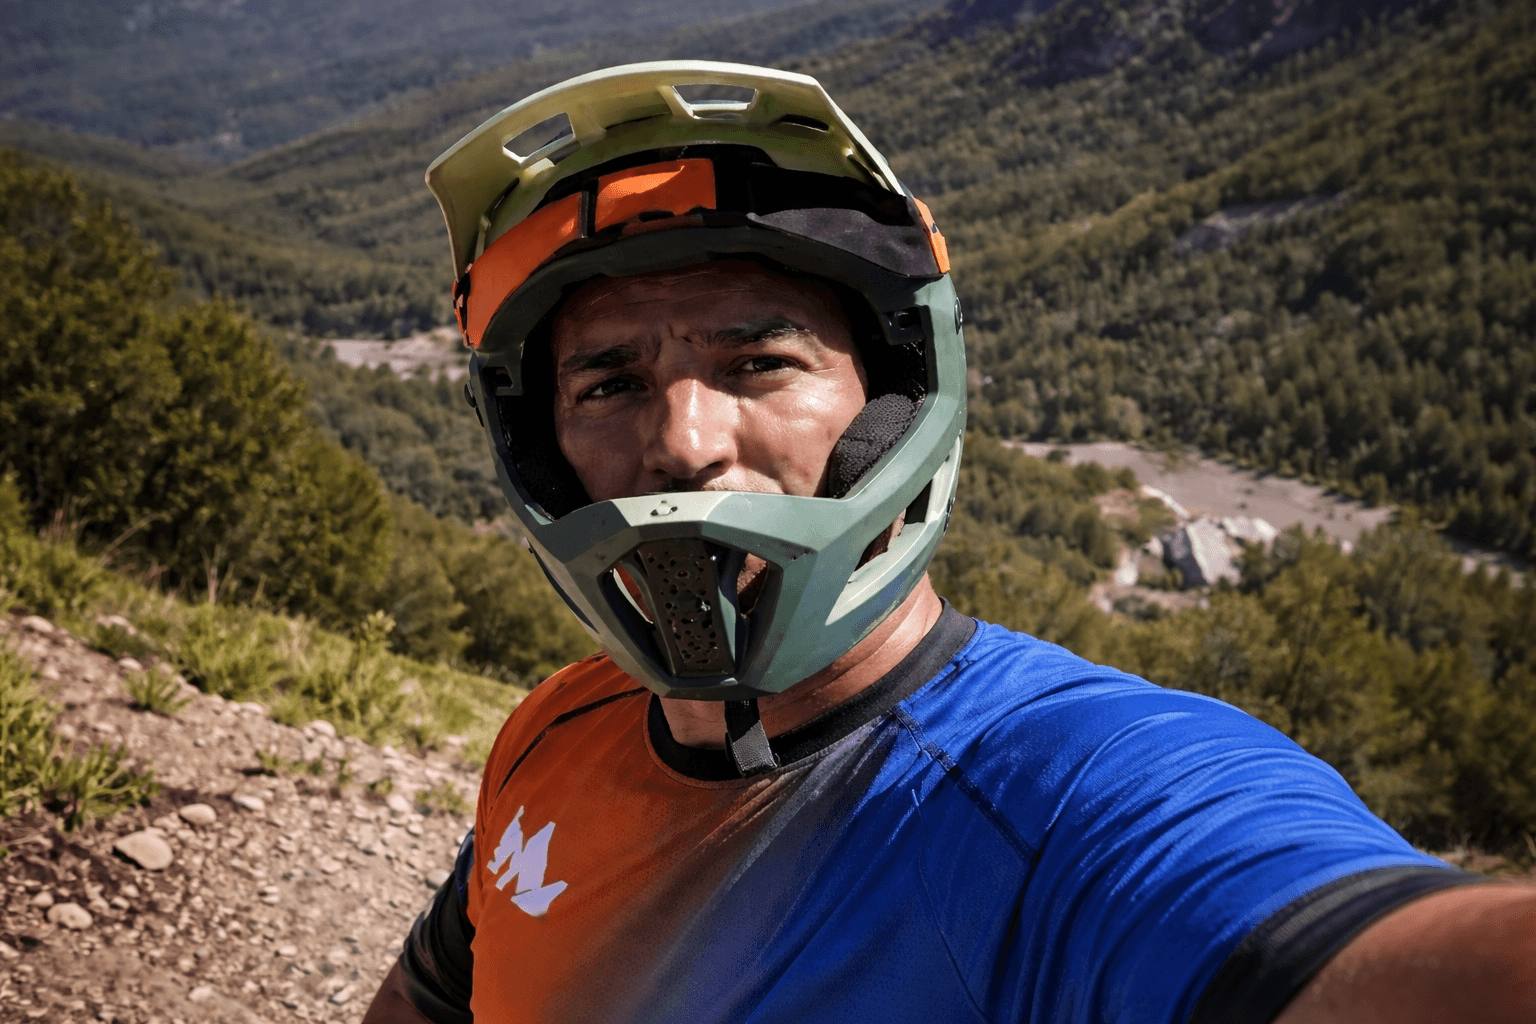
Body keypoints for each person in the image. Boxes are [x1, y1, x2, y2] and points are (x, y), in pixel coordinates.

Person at [364, 62, 1536, 1024]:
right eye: (609, 382)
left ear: (891, 402)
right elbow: (437, 991)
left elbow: (1345, 937)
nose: (683, 440)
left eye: (758, 363)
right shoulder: (552, 732)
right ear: (542, 443)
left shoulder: (1067, 794)